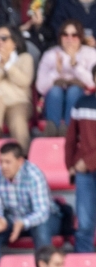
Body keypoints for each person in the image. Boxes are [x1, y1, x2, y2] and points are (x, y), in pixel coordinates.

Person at [0, 141, 61, 267]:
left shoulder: (34, 175)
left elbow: (42, 211)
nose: (3, 166)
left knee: (41, 229)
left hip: (43, 218)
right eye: (1, 161)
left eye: (8, 162)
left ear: (20, 161)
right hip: (12, 219)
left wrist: (22, 223)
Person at [36, 20, 96, 134]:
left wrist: (76, 67)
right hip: (53, 100)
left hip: (83, 99)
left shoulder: (90, 53)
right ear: (60, 37)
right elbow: (40, 87)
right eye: (65, 35)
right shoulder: (50, 54)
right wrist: (56, 72)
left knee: (73, 91)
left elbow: (93, 83)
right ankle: (52, 129)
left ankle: (69, 129)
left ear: (81, 37)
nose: (69, 39)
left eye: (74, 35)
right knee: (55, 91)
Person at [65, 67, 96, 252]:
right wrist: (70, 164)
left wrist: (88, 162)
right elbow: (70, 138)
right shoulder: (81, 103)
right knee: (84, 225)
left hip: (86, 166)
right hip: (84, 173)